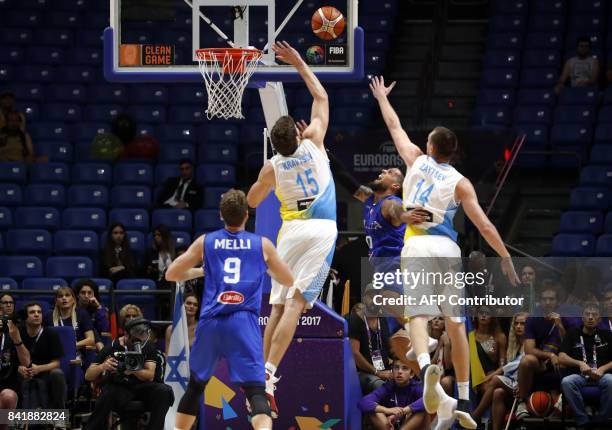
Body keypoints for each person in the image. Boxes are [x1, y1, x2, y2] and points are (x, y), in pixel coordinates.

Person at [369, 75, 520, 430]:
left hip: (418, 244)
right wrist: (506, 257)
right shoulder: (461, 183)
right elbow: (484, 226)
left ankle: (427, 373)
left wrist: (381, 97)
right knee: (455, 324)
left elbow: (394, 125)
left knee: (419, 316)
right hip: (448, 248)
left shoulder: (415, 160)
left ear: (431, 146)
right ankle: (463, 399)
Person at [246, 41, 336, 417]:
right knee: (296, 307)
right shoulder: (314, 142)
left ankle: (261, 380)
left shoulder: (272, 167)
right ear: (297, 136)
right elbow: (321, 95)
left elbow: (251, 202)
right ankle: (268, 374)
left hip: (289, 235)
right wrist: (299, 61)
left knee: (278, 305)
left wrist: (265, 178)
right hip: (319, 232)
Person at [165, 189, 294, 430]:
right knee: (256, 390)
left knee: (195, 386)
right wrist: (265, 268)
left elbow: (171, 274)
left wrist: (199, 271)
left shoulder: (206, 241)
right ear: (247, 215)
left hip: (211, 321)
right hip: (243, 321)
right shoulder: (262, 245)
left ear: (221, 216)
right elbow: (288, 280)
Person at [84, 317, 174, 430]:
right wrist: (103, 366)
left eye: (142, 341)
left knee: (164, 391)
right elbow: (88, 376)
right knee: (107, 393)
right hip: (120, 387)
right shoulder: (112, 346)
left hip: (142, 387)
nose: (139, 344)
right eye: (135, 340)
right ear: (126, 335)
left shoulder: (148, 346)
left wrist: (132, 370)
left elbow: (150, 376)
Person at [515, 286, 573, 419]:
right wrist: (550, 355)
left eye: (551, 299)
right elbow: (529, 349)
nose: (547, 302)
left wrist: (559, 326)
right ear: (539, 301)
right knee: (526, 360)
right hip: (541, 363)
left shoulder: (566, 319)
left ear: (557, 301)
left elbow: (570, 347)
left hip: (561, 362)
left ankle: (565, 400)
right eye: (544, 299)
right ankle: (522, 402)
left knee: (567, 358)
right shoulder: (532, 319)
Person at [559, 303, 612, 428]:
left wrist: (603, 369)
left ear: (599, 319)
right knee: (566, 382)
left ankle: (602, 421)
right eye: (587, 314)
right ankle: (583, 422)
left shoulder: (607, 335)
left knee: (611, 381)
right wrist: (580, 363)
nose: (590, 317)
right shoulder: (572, 333)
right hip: (580, 375)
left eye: (594, 315)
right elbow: (561, 357)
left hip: (601, 375)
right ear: (582, 318)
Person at [472, 312, 528, 430]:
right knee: (497, 392)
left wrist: (491, 375)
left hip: (522, 384)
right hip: (507, 382)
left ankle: (475, 416)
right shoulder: (514, 344)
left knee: (494, 381)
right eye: (516, 323)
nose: (518, 326)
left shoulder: (501, 337)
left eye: (522, 324)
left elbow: (505, 365)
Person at [18, 302, 67, 412]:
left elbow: (56, 363)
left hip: (45, 372)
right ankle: (14, 419)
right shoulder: (18, 334)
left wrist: (39, 368)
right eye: (32, 312)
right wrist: (19, 368)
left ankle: (59, 417)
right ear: (25, 317)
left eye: (39, 312)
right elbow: (12, 360)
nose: (36, 314)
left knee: (57, 373)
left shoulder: (51, 334)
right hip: (23, 373)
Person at [358, 361, 429, 430]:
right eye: (396, 368)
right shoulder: (388, 387)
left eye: (405, 368)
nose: (399, 371)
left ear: (411, 374)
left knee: (422, 409)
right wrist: (388, 410)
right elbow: (362, 402)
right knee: (372, 409)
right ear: (392, 371)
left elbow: (429, 398)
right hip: (389, 425)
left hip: (408, 425)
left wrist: (403, 411)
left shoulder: (416, 386)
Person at [349, 290, 394, 393]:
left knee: (408, 379)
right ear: (364, 299)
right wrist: (377, 372)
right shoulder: (356, 319)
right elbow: (354, 353)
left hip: (385, 370)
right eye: (371, 297)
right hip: (364, 373)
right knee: (381, 386)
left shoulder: (382, 319)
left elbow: (391, 348)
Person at [0, 309, 30, 430]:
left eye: (1, 317)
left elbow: (26, 362)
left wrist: (17, 339)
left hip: (5, 388)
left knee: (9, 396)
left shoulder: (10, 337)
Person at [73, 279, 110, 351]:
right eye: (83, 293)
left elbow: (104, 328)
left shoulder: (98, 308)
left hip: (96, 342)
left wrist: (99, 307)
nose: (86, 296)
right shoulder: (72, 309)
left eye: (89, 293)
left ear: (94, 295)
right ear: (77, 295)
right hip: (79, 340)